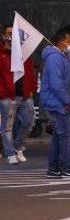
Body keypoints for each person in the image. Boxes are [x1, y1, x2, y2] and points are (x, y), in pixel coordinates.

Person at [41, 30, 70, 179]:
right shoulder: (55, 58)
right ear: (64, 41)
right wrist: (66, 100)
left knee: (59, 136)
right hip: (57, 102)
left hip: (56, 101)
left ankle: (54, 168)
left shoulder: (59, 57)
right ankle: (66, 168)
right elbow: (56, 83)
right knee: (65, 136)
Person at [0, 23, 37, 165]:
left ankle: (17, 146)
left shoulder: (24, 52)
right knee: (7, 126)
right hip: (8, 96)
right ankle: (10, 153)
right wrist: (2, 93)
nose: (10, 36)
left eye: (13, 33)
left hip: (25, 95)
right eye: (8, 33)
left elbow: (31, 72)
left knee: (29, 122)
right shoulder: (1, 53)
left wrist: (32, 89)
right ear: (3, 36)